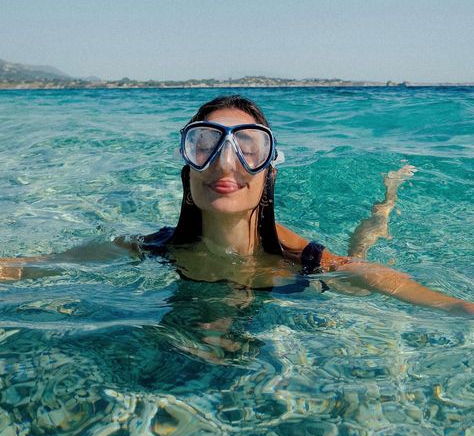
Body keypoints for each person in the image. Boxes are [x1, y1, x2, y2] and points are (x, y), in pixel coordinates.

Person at [1, 95, 473, 317]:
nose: (225, 165)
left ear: (269, 169)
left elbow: (383, 280)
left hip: (308, 259)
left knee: (364, 249)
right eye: (204, 144)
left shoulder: (305, 260)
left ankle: (384, 205)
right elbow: (29, 266)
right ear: (187, 166)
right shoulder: (152, 247)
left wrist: (459, 306)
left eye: (248, 147)